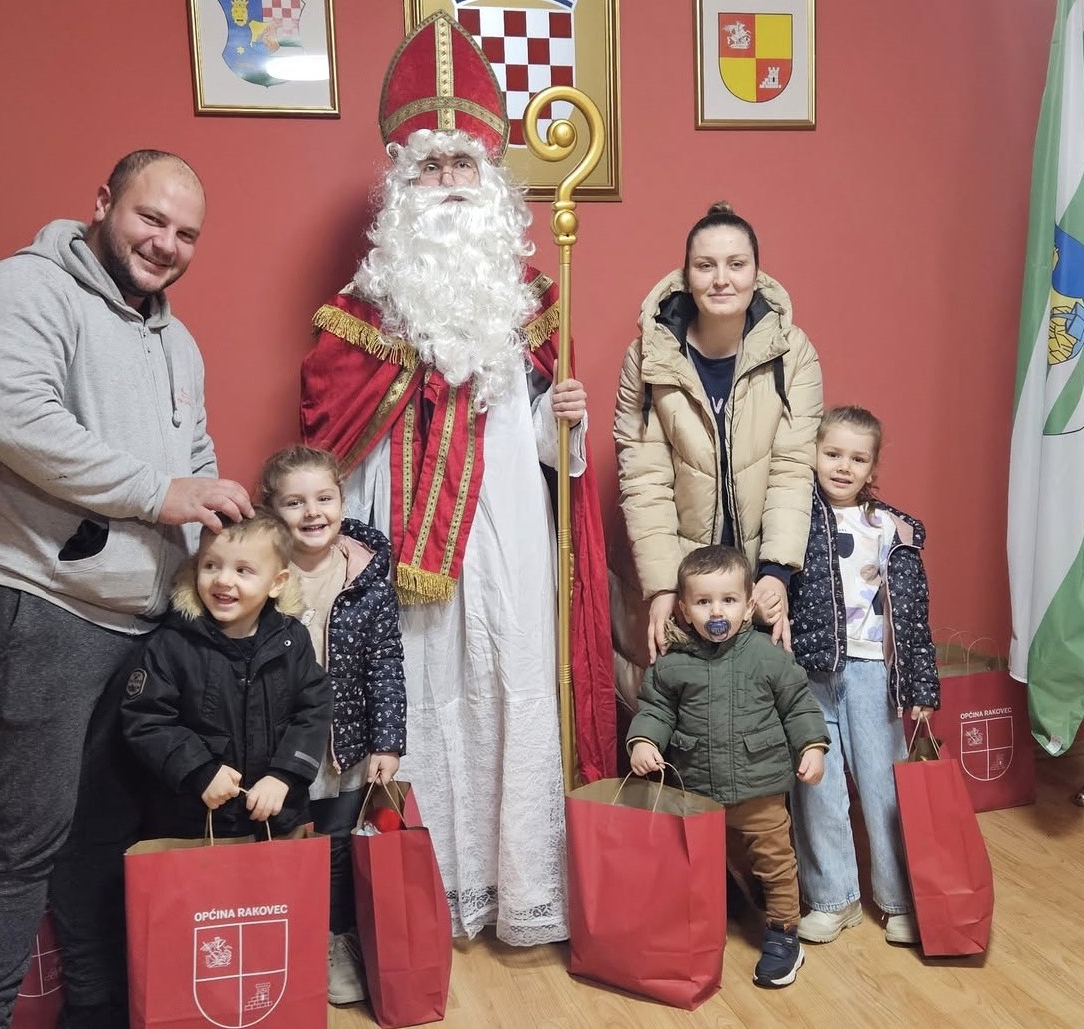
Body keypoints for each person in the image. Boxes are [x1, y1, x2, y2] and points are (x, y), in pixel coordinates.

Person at [298, 12, 616, 945]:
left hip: (509, 537)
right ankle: (422, 897)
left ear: (490, 183)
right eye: (429, 166)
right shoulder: (359, 311)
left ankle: (520, 890)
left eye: (461, 165)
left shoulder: (530, 300)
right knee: (418, 699)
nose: (446, 181)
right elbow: (328, 433)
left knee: (510, 685)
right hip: (398, 544)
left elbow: (552, 454)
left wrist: (565, 419)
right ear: (401, 185)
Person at [0, 149, 251, 1029]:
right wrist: (161, 494)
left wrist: (218, 529)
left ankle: (98, 1010)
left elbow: (194, 456)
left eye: (186, 233)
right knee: (17, 836)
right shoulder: (21, 288)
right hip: (39, 603)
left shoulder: (176, 340)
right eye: (150, 219)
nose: (166, 243)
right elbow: (15, 421)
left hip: (140, 623)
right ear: (102, 203)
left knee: (103, 835)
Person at [611, 202, 824, 706]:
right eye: (705, 266)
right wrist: (665, 587)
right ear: (687, 276)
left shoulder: (793, 353)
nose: (721, 279)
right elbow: (644, 480)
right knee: (683, 712)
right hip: (687, 577)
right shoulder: (648, 358)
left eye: (736, 264)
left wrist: (776, 572)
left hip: (760, 569)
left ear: (757, 273)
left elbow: (792, 469)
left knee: (762, 710)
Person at [626, 545, 830, 988]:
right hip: (697, 792)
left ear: (748, 604)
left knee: (774, 861)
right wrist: (643, 740)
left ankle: (783, 932)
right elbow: (656, 709)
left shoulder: (766, 654)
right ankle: (697, 924)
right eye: (703, 602)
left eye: (729, 600)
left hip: (760, 788)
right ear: (684, 609)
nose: (716, 612)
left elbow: (798, 705)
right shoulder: (673, 664)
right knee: (694, 863)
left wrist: (812, 747)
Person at [786, 406, 941, 946]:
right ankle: (835, 899)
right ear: (812, 453)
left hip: (874, 671)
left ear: (873, 467)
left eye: (857, 458)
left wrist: (921, 685)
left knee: (884, 787)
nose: (843, 467)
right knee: (817, 787)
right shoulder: (794, 520)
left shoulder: (891, 529)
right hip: (809, 672)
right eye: (832, 454)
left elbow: (913, 615)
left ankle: (900, 900)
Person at [260, 444, 405, 1005]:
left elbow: (385, 661)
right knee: (284, 844)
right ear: (272, 510)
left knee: (338, 847)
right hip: (281, 745)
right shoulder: (262, 571)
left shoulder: (364, 574)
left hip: (345, 744)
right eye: (295, 502)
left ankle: (334, 941)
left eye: (324, 498)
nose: (312, 512)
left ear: (342, 501)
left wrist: (387, 742)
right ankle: (286, 942)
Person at [118, 513, 331, 841]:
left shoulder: (293, 640)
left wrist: (284, 775)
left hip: (277, 817)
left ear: (277, 583)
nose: (223, 580)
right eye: (211, 565)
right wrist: (199, 770)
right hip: (195, 821)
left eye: (243, 570)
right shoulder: (173, 643)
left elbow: (314, 710)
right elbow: (147, 718)